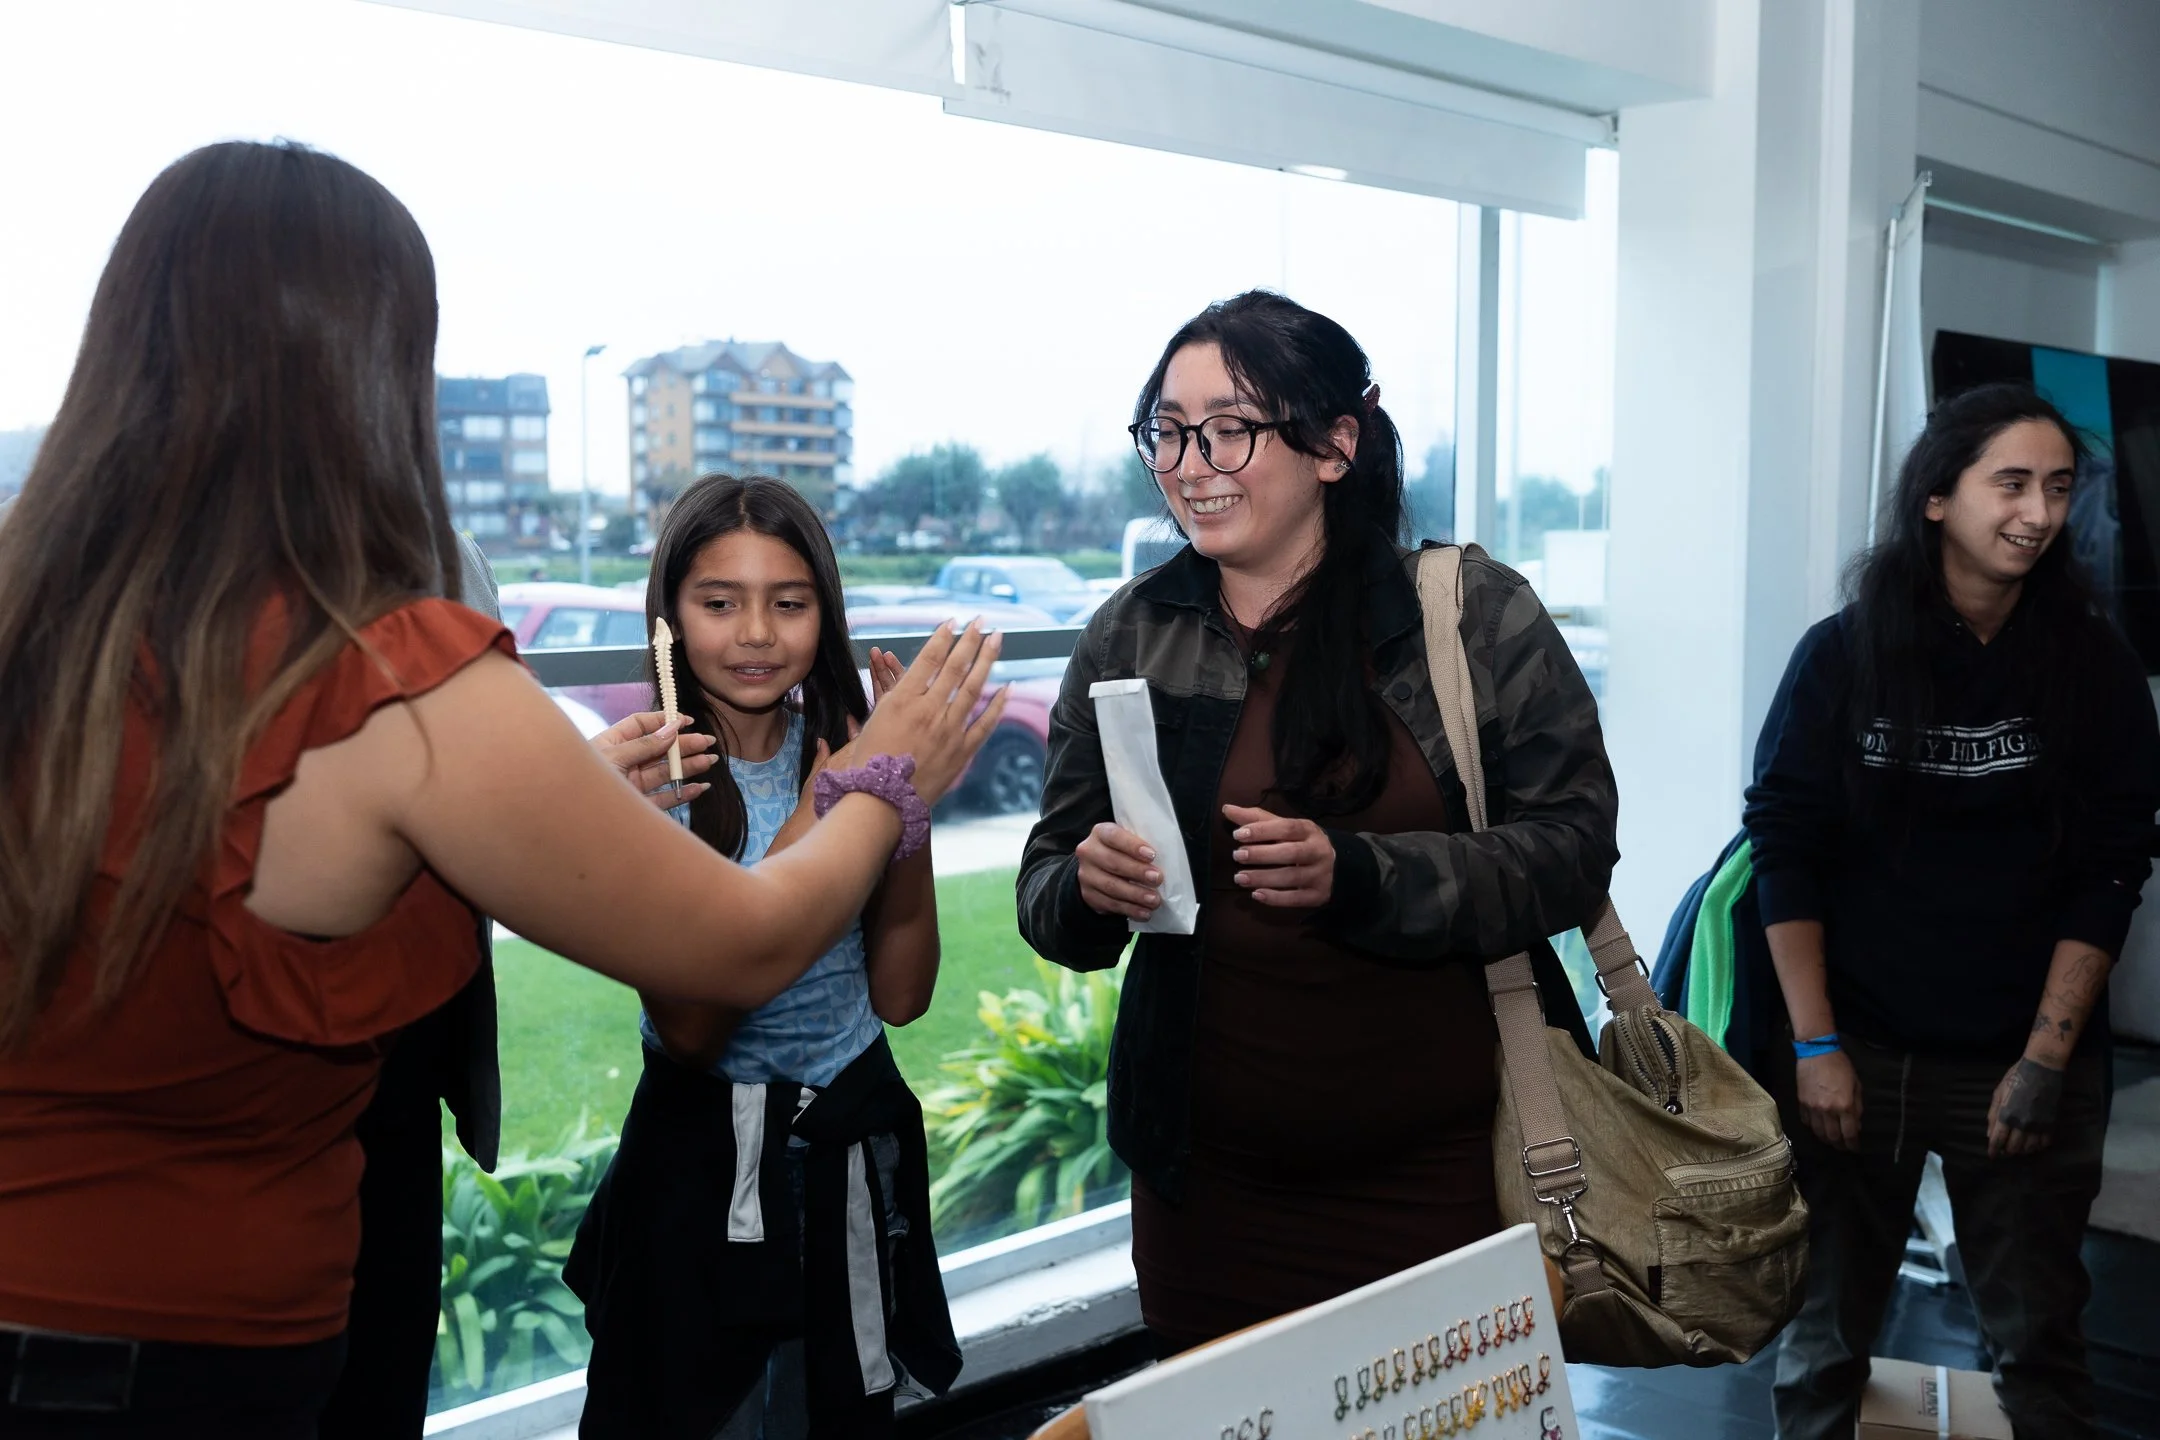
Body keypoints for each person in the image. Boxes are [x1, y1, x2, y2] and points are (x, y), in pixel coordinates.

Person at [0, 139, 1003, 1439]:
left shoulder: (39, 632)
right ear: (372, 375)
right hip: (188, 1362)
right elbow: (741, 946)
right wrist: (886, 779)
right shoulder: (387, 673)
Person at [1016, 290, 1616, 1354]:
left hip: (1445, 1180)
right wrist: (1087, 887)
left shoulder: (1468, 614)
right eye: (1168, 431)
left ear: (1336, 444)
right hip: (1207, 1196)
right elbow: (1046, 888)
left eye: (1229, 429)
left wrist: (1362, 876)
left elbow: (1572, 852)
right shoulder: (1131, 635)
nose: (1190, 465)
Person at [1746, 383, 2160, 1439]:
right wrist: (1816, 1046)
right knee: (1822, 1342)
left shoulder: (2095, 667)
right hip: (1859, 1049)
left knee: (2041, 1349)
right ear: (1938, 495)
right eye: (2011, 483)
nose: (2039, 512)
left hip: (2022, 1060)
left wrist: (2046, 1061)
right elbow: (1783, 848)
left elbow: (2114, 868)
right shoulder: (1844, 654)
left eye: (2058, 488)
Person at [567, 474, 957, 1439]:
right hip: (703, 1179)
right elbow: (696, 1028)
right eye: (719, 603)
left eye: (788, 603)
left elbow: (902, 996)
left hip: (847, 1156)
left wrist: (900, 806)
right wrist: (836, 812)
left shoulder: (841, 749)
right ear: (668, 619)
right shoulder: (650, 780)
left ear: (826, 615)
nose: (755, 633)